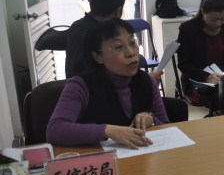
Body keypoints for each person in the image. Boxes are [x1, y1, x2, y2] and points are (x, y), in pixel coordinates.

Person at [47, 18, 169, 148]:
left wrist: (151, 118)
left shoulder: (147, 80)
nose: (131, 53)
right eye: (118, 47)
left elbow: (168, 127)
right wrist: (108, 131)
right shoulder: (80, 86)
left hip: (141, 157)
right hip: (98, 157)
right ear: (98, 57)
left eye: (132, 43)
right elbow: (55, 130)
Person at [177, 0, 224, 111]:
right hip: (196, 79)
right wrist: (206, 77)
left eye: (223, 19)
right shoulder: (188, 29)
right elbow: (184, 64)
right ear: (203, 12)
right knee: (220, 98)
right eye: (214, 19)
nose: (218, 23)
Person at [66, 0, 127, 78]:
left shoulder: (76, 26)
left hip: (72, 83)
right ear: (118, 11)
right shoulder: (103, 35)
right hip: (96, 85)